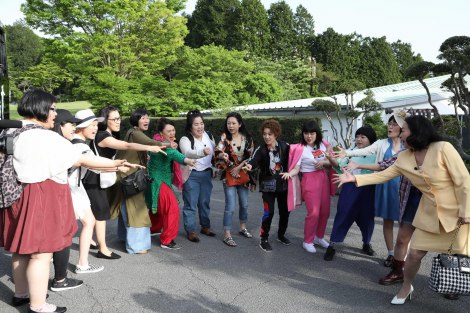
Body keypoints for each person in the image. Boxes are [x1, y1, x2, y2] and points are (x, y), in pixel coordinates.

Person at [0, 89, 127, 313]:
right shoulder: (45, 137)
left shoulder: (12, 131)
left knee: (21, 249)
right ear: (41, 109)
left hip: (17, 194)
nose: (55, 116)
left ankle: (21, 294)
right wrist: (117, 164)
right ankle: (38, 305)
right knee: (41, 254)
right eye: (53, 109)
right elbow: (81, 159)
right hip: (42, 194)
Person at [334, 115, 470, 304]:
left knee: (462, 254)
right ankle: (406, 287)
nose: (400, 132)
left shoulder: (443, 148)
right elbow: (384, 174)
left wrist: (466, 212)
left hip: (458, 213)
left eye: (404, 129)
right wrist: (355, 179)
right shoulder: (404, 157)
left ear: (415, 132)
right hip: (428, 213)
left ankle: (458, 285)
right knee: (414, 254)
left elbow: (463, 180)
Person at [83, 106, 165, 259]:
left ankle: (93, 243)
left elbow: (115, 158)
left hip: (103, 178)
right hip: (95, 179)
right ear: (105, 120)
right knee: (99, 216)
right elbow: (127, 146)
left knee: (95, 215)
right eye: (114, 119)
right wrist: (151, 147)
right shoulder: (103, 136)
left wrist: (129, 165)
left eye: (119, 118)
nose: (118, 121)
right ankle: (102, 249)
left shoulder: (109, 135)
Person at [335, 111, 404, 267]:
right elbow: (365, 151)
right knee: (387, 221)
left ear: (402, 128)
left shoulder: (408, 145)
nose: (390, 126)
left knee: (404, 224)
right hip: (384, 185)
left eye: (394, 124)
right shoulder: (381, 143)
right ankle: (391, 254)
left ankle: (402, 256)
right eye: (390, 123)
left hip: (403, 188)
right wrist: (347, 152)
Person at [321, 126, 377, 260]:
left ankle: (366, 242)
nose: (359, 139)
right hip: (350, 188)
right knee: (343, 214)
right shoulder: (349, 151)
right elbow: (338, 164)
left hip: (367, 187)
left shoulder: (375, 153)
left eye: (363, 137)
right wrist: (330, 158)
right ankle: (332, 245)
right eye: (357, 136)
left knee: (367, 218)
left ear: (370, 140)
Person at [282, 120, 334, 253]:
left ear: (317, 133)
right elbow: (296, 168)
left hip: (323, 179)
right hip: (309, 180)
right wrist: (290, 173)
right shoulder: (300, 148)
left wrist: (324, 162)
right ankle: (308, 240)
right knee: (314, 212)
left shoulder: (324, 144)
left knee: (325, 212)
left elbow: (331, 162)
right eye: (306, 133)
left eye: (312, 133)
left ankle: (319, 237)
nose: (309, 136)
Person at [145, 117, 196, 249]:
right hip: (157, 181)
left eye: (173, 130)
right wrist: (187, 160)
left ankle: (153, 229)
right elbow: (173, 154)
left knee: (159, 207)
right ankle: (167, 240)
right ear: (161, 134)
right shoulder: (158, 144)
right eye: (169, 131)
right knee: (172, 208)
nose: (172, 133)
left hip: (162, 180)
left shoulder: (166, 142)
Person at [244, 119, 290, 252]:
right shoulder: (261, 149)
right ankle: (264, 238)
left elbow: (296, 157)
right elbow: (253, 160)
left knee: (285, 213)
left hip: (283, 185)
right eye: (264, 134)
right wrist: (249, 166)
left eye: (270, 134)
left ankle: (281, 235)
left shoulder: (285, 146)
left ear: (276, 134)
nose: (267, 137)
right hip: (268, 186)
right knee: (268, 212)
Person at [215, 112, 255, 247]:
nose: (231, 126)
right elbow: (218, 152)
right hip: (229, 175)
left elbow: (251, 156)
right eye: (228, 123)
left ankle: (242, 227)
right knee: (230, 206)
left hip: (243, 174)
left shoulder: (247, 138)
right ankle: (227, 233)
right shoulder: (224, 138)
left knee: (244, 204)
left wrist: (239, 167)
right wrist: (224, 156)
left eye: (233, 123)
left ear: (240, 124)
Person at [179, 109, 216, 243]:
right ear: (190, 126)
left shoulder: (208, 135)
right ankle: (191, 230)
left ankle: (205, 226)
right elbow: (188, 153)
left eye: (201, 123)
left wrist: (221, 154)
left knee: (204, 202)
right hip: (192, 175)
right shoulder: (185, 139)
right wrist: (202, 152)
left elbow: (216, 150)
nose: (200, 127)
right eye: (196, 124)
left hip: (206, 173)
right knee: (190, 204)